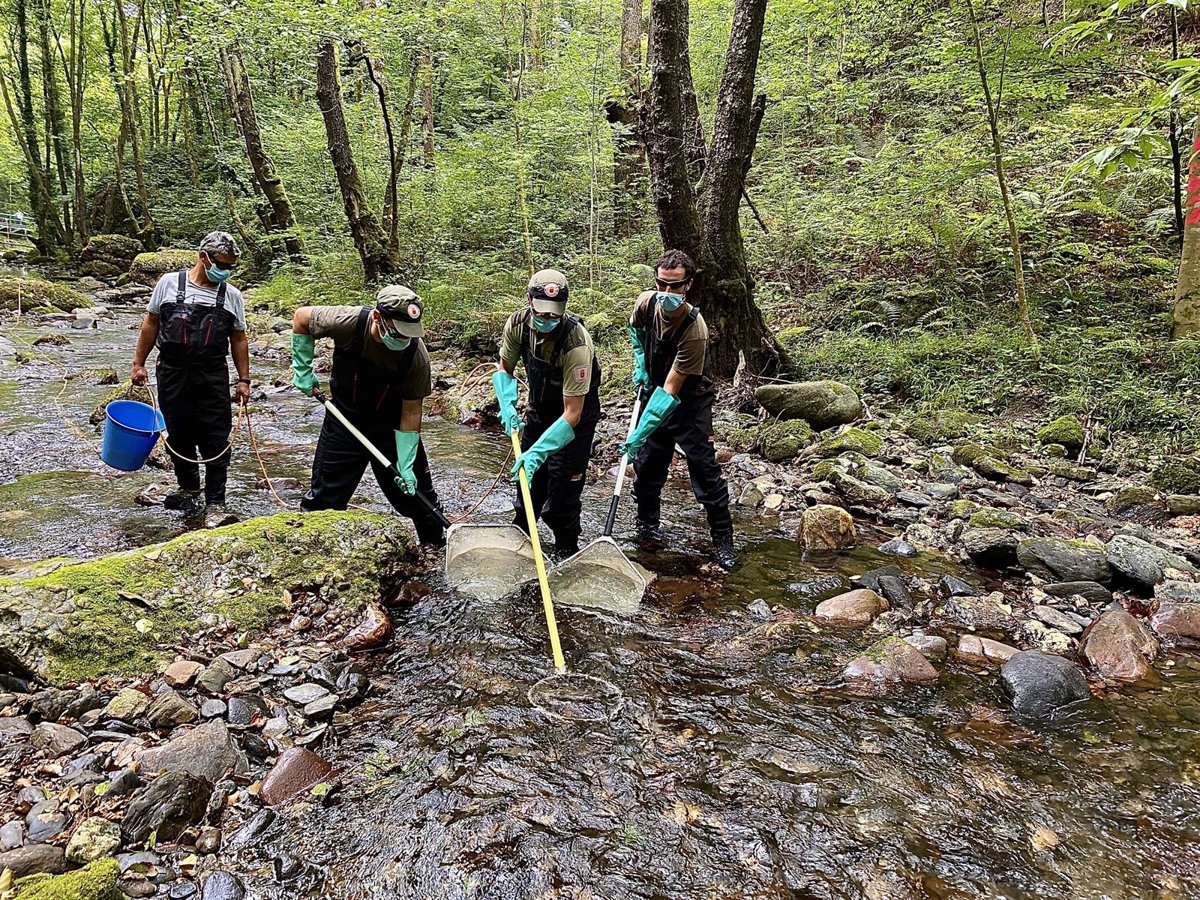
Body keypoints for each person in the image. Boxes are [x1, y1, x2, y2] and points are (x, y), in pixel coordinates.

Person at [290, 285, 446, 547]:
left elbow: (411, 411)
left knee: (419, 500)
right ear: (377, 317)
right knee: (324, 500)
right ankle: (311, 552)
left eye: (409, 334)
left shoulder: (416, 357)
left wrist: (406, 463)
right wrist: (302, 369)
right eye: (397, 332)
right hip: (343, 420)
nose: (403, 339)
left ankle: (435, 550)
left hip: (390, 427)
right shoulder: (348, 322)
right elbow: (301, 318)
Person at [621, 249, 736, 569]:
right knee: (647, 468)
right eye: (662, 284)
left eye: (675, 286)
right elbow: (635, 332)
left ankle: (723, 539)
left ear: (688, 285)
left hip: (689, 402)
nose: (667, 291)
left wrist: (638, 434)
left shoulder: (694, 329)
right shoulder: (646, 303)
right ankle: (647, 531)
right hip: (653, 390)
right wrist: (641, 364)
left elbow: (672, 388)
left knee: (704, 470)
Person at [131, 231, 250, 528]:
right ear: (203, 257)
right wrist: (138, 363)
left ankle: (216, 503)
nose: (226, 271)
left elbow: (238, 338)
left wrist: (244, 380)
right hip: (172, 371)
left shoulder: (232, 296)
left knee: (215, 437)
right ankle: (188, 487)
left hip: (212, 374)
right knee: (179, 433)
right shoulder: (168, 284)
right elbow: (151, 323)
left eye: (231, 266)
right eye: (222, 264)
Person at [494, 269, 602, 560]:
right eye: (541, 312)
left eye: (554, 313)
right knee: (528, 487)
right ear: (529, 300)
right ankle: (521, 542)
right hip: (540, 409)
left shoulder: (576, 344)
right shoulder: (518, 324)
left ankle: (566, 551)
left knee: (562, 497)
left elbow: (573, 413)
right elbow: (505, 368)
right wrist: (507, 403)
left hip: (575, 418)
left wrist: (538, 453)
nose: (547, 318)